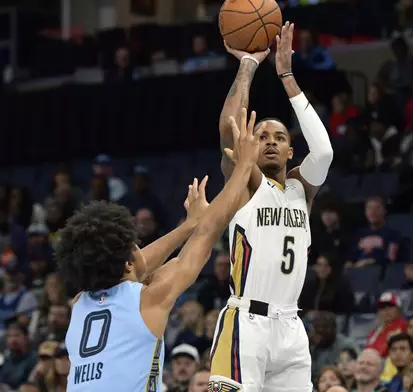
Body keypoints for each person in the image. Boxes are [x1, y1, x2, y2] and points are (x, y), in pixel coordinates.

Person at [56, 109, 262, 392]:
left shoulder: (79, 303)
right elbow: (209, 233)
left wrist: (187, 226)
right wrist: (244, 167)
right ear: (127, 262)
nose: (143, 250)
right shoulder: (150, 298)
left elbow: (133, 267)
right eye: (136, 247)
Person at [213, 21, 333, 392]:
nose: (269, 142)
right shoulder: (245, 181)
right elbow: (230, 126)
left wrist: (287, 77)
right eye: (261, 135)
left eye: (279, 137)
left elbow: (325, 151)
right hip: (246, 321)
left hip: (291, 327)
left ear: (290, 150)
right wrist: (248, 64)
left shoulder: (301, 188)